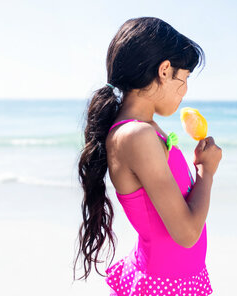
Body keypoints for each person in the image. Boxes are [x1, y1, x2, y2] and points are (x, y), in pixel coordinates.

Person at [73, 17, 222, 296]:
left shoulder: (146, 130)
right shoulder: (136, 136)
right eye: (185, 77)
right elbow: (187, 233)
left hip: (174, 281)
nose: (186, 89)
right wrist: (207, 172)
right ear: (165, 70)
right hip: (164, 285)